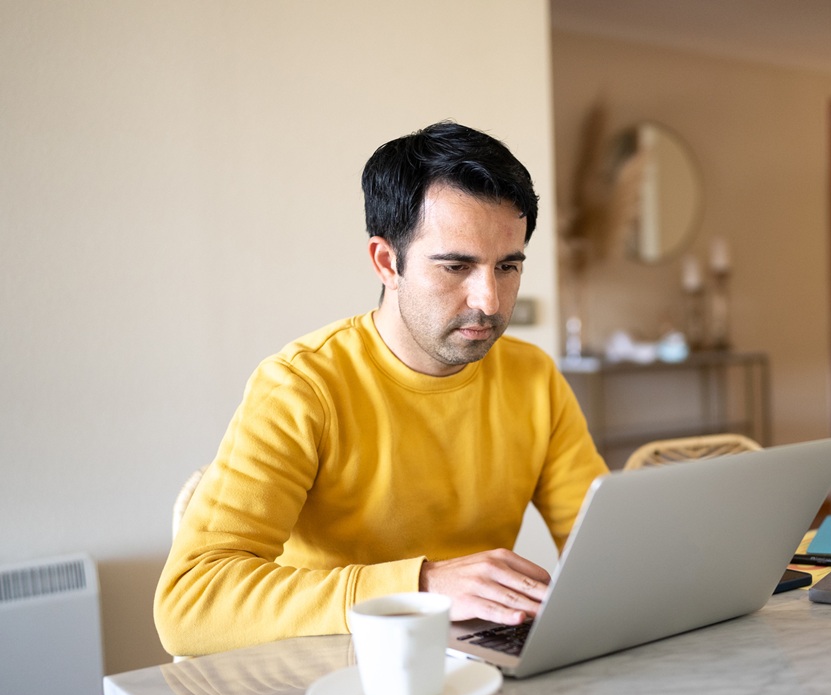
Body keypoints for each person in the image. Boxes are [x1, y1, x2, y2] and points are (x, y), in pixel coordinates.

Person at [155, 121, 608, 657]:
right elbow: (189, 604)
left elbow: (603, 554)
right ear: (387, 261)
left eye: (507, 266)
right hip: (330, 677)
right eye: (456, 266)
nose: (489, 300)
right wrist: (421, 586)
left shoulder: (532, 377)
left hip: (478, 669)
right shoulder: (301, 388)